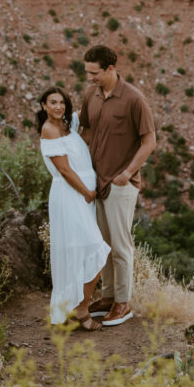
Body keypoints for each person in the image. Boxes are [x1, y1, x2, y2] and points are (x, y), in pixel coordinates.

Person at [79, 44, 156, 327]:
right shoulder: (92, 95)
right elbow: (85, 132)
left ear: (111, 68)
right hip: (95, 182)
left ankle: (123, 303)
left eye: (94, 72)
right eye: (87, 72)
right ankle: (109, 296)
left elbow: (150, 142)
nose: (90, 77)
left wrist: (128, 172)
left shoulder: (134, 99)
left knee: (121, 246)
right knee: (103, 244)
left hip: (121, 184)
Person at [37, 85, 111, 331]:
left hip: (80, 195)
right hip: (71, 195)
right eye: (53, 102)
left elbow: (87, 111)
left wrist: (99, 89)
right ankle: (81, 307)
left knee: (79, 250)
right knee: (94, 247)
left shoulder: (68, 123)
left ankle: (72, 307)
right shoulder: (49, 130)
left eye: (62, 102)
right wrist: (87, 192)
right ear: (43, 106)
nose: (58, 106)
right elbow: (65, 170)